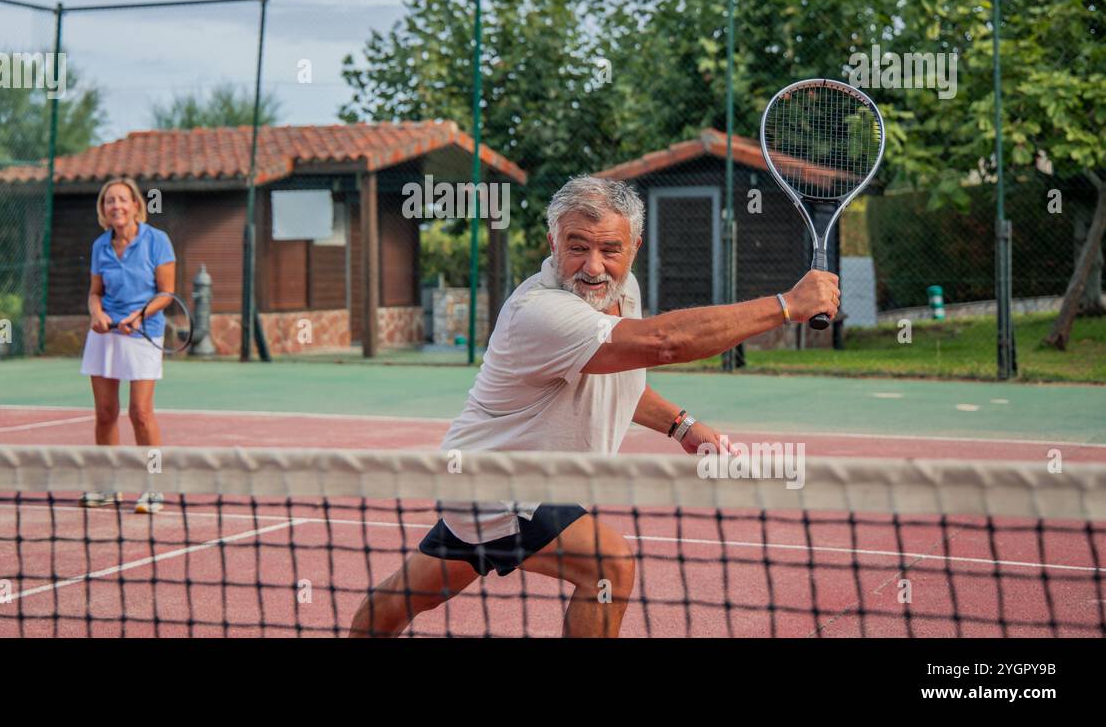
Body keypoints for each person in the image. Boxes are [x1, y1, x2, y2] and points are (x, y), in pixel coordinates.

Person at [350, 175, 839, 637]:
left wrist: (681, 425)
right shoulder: (541, 312)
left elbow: (615, 379)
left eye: (610, 250)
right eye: (577, 246)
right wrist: (785, 305)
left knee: (410, 594)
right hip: (496, 483)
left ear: (634, 248)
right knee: (609, 567)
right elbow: (665, 343)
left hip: (502, 481)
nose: (593, 266)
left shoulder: (620, 292)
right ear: (552, 243)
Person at [80, 177, 177, 514]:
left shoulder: (158, 241)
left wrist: (138, 315)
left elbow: (166, 292)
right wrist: (97, 313)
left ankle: (154, 489)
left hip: (144, 333)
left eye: (122, 200)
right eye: (109, 201)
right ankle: (108, 487)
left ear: (137, 205)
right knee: (105, 413)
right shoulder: (99, 246)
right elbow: (96, 291)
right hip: (105, 336)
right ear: (103, 210)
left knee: (140, 412)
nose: (116, 206)